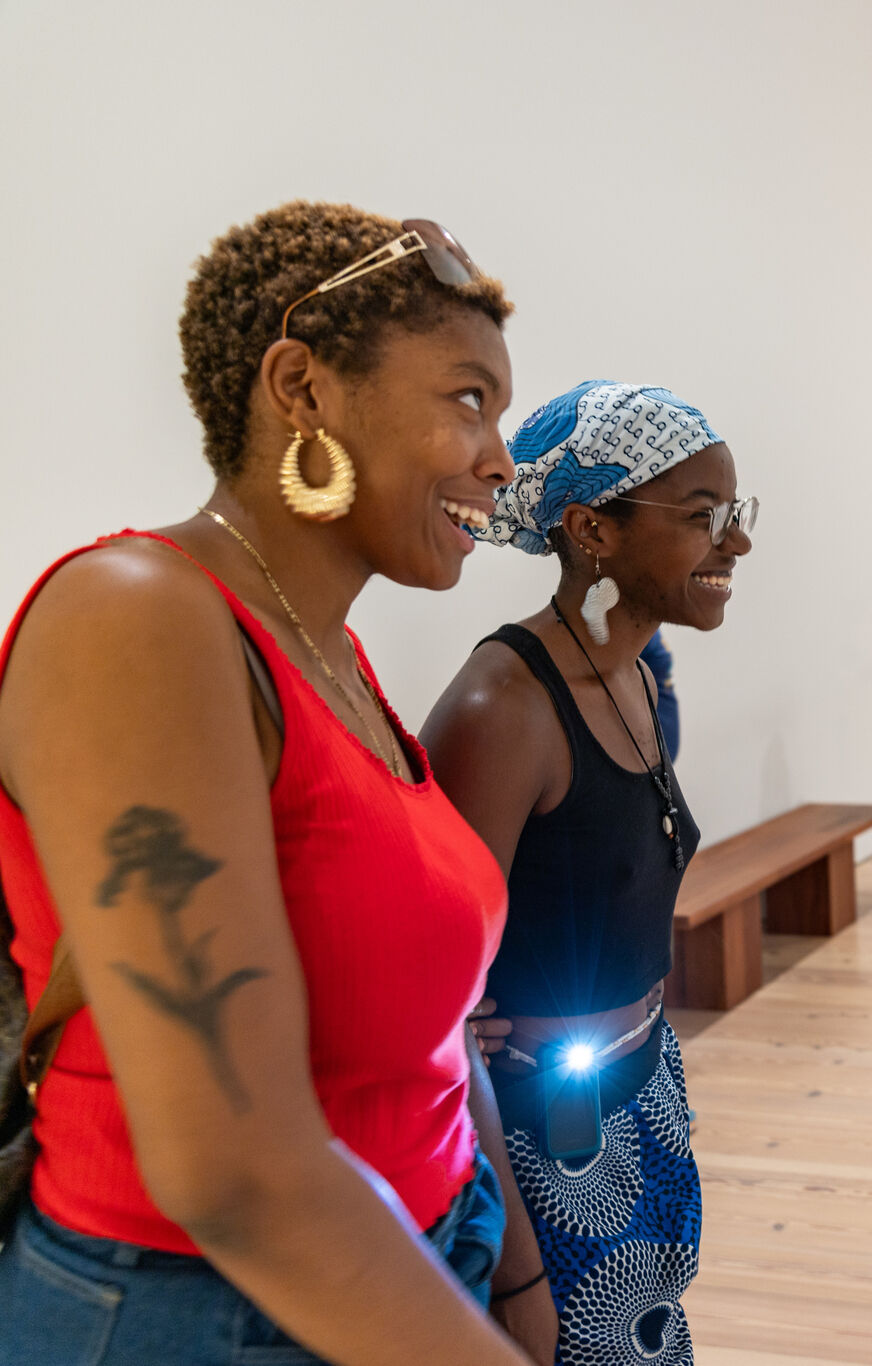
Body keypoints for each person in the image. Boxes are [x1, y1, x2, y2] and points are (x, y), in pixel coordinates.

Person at [0, 202, 536, 1365]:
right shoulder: (132, 619)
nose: (502, 458)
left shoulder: (334, 659)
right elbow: (231, 1172)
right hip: (204, 1311)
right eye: (467, 399)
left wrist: (516, 1270)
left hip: (415, 1261)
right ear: (302, 387)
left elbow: (429, 1035)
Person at [422, 382, 754, 1366]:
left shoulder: (640, 675)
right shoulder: (504, 708)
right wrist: (518, 1267)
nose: (734, 545)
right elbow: (440, 1005)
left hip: (639, 1089)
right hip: (545, 1147)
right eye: (702, 518)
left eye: (736, 515)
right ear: (589, 529)